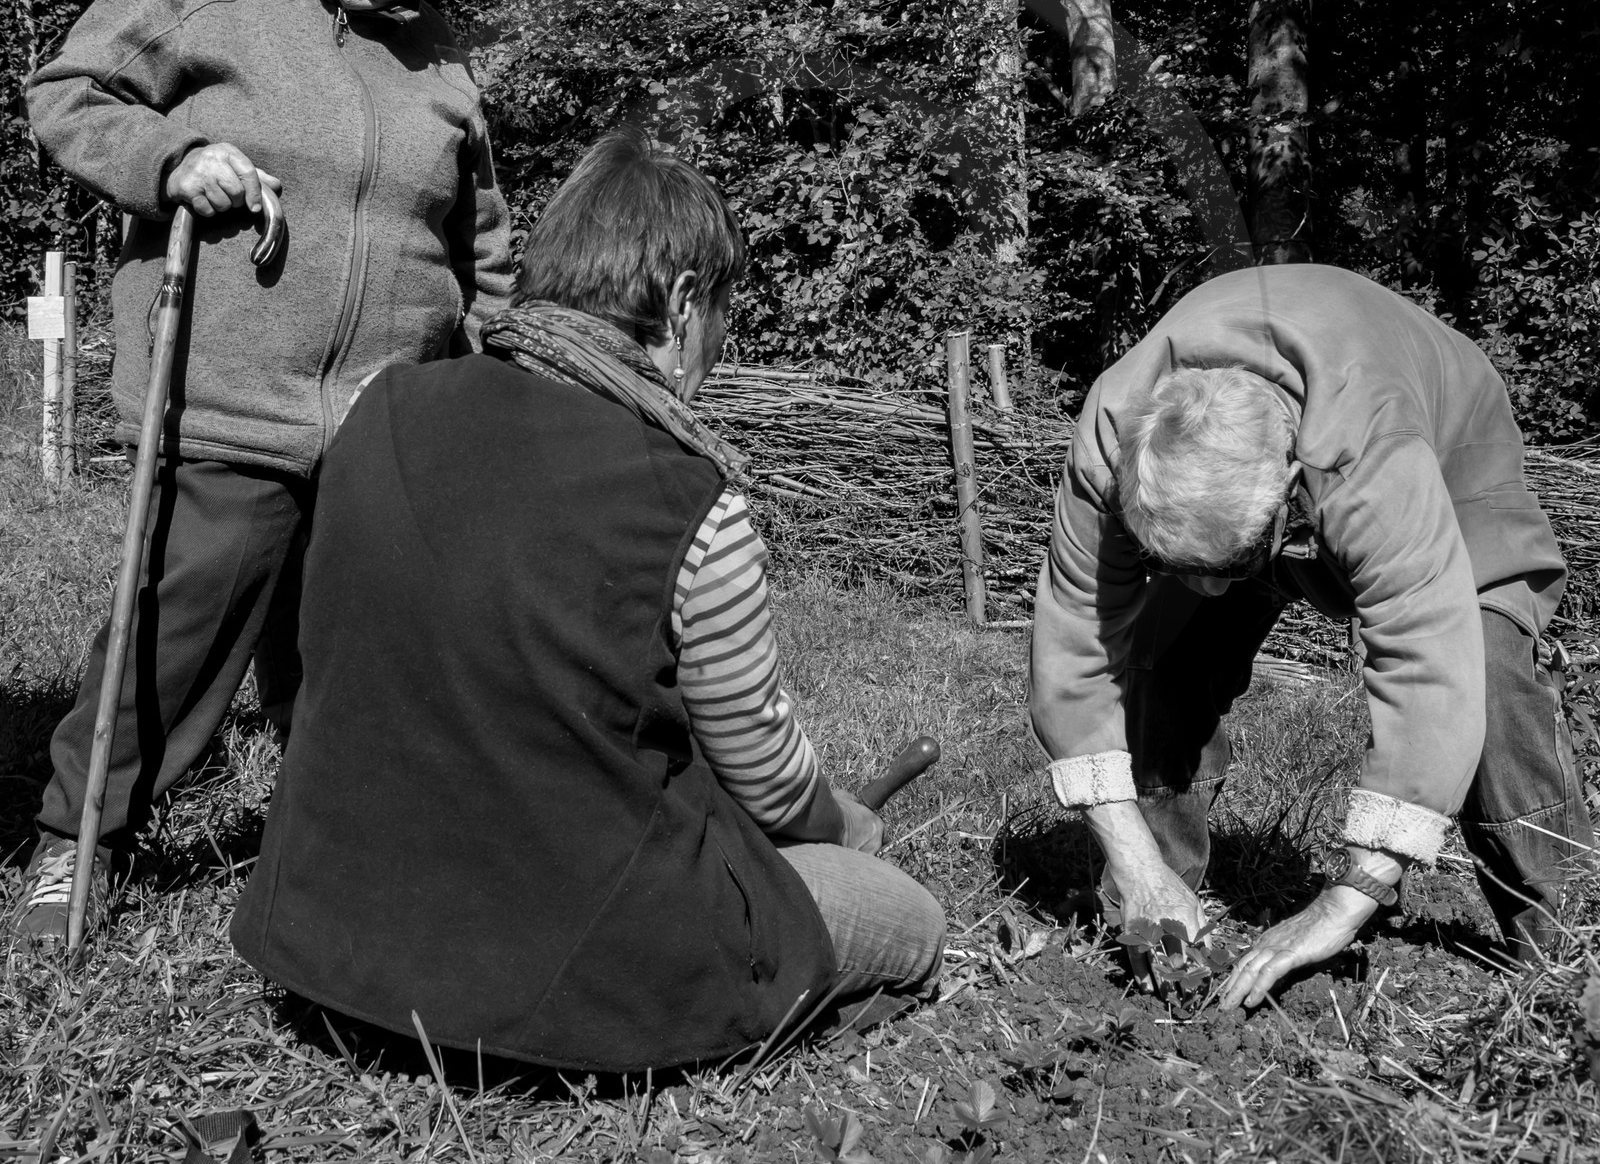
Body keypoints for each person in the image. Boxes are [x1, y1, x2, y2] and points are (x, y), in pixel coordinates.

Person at [231, 131, 945, 1071]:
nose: (720, 348)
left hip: (327, 936)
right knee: (912, 922)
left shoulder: (379, 409)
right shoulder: (694, 505)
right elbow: (764, 781)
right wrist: (849, 826)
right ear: (685, 303)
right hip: (564, 981)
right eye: (724, 312)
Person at [15, 0, 513, 945]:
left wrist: (502, 347)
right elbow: (67, 95)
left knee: (360, 641)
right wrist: (172, 155)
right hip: (231, 392)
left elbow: (478, 224)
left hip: (392, 408)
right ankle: (77, 840)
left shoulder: (431, 44)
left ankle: (340, 838)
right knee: (178, 632)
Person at [1031, 264, 1593, 1007]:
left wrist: (1348, 897)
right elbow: (1077, 644)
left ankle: (1568, 952)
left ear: (1290, 488)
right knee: (1160, 651)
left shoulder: (1365, 451)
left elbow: (1429, 664)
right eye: (1178, 564)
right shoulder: (1115, 437)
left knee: (1489, 672)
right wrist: (1132, 861)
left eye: (1226, 567)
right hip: (1242, 476)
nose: (1205, 588)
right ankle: (1154, 915)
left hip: (1449, 441)